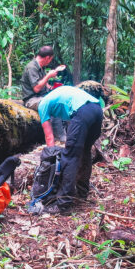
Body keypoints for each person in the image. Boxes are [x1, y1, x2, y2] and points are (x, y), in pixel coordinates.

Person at [37, 85, 104, 214]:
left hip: (83, 111)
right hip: (97, 109)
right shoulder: (59, 96)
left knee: (70, 156)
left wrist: (50, 160)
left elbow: (49, 137)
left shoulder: (42, 105)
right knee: (84, 152)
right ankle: (82, 194)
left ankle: (63, 205)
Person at [20, 45, 66, 142]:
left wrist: (52, 87)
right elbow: (36, 88)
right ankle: (60, 138)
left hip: (42, 96)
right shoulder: (32, 67)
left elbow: (44, 84)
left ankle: (66, 135)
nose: (50, 62)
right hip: (32, 99)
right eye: (50, 59)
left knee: (62, 101)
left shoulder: (41, 67)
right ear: (47, 58)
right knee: (52, 104)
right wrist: (48, 75)